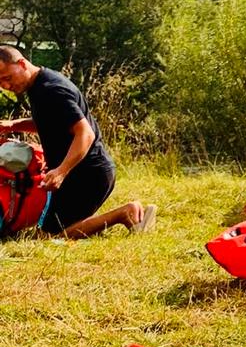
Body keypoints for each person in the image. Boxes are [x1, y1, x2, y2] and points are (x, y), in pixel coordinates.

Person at [0, 46, 155, 238]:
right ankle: (94, 224)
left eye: (7, 77)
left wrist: (60, 172)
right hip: (80, 174)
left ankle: (125, 213)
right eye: (0, 82)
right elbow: (52, 122)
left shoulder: (52, 90)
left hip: (87, 174)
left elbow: (85, 133)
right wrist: (12, 125)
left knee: (52, 237)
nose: (5, 85)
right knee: (46, 231)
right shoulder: (38, 85)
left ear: (22, 64)